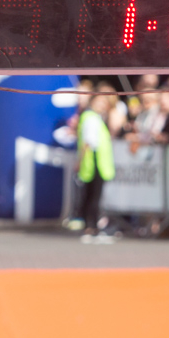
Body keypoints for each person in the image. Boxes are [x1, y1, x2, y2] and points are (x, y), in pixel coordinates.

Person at [67, 93, 115, 237]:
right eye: (99, 102)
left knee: (91, 195)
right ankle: (91, 226)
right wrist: (80, 161)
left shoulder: (92, 117)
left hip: (95, 163)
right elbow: (88, 142)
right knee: (94, 196)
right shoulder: (91, 118)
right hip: (95, 163)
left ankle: (90, 225)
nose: (102, 105)